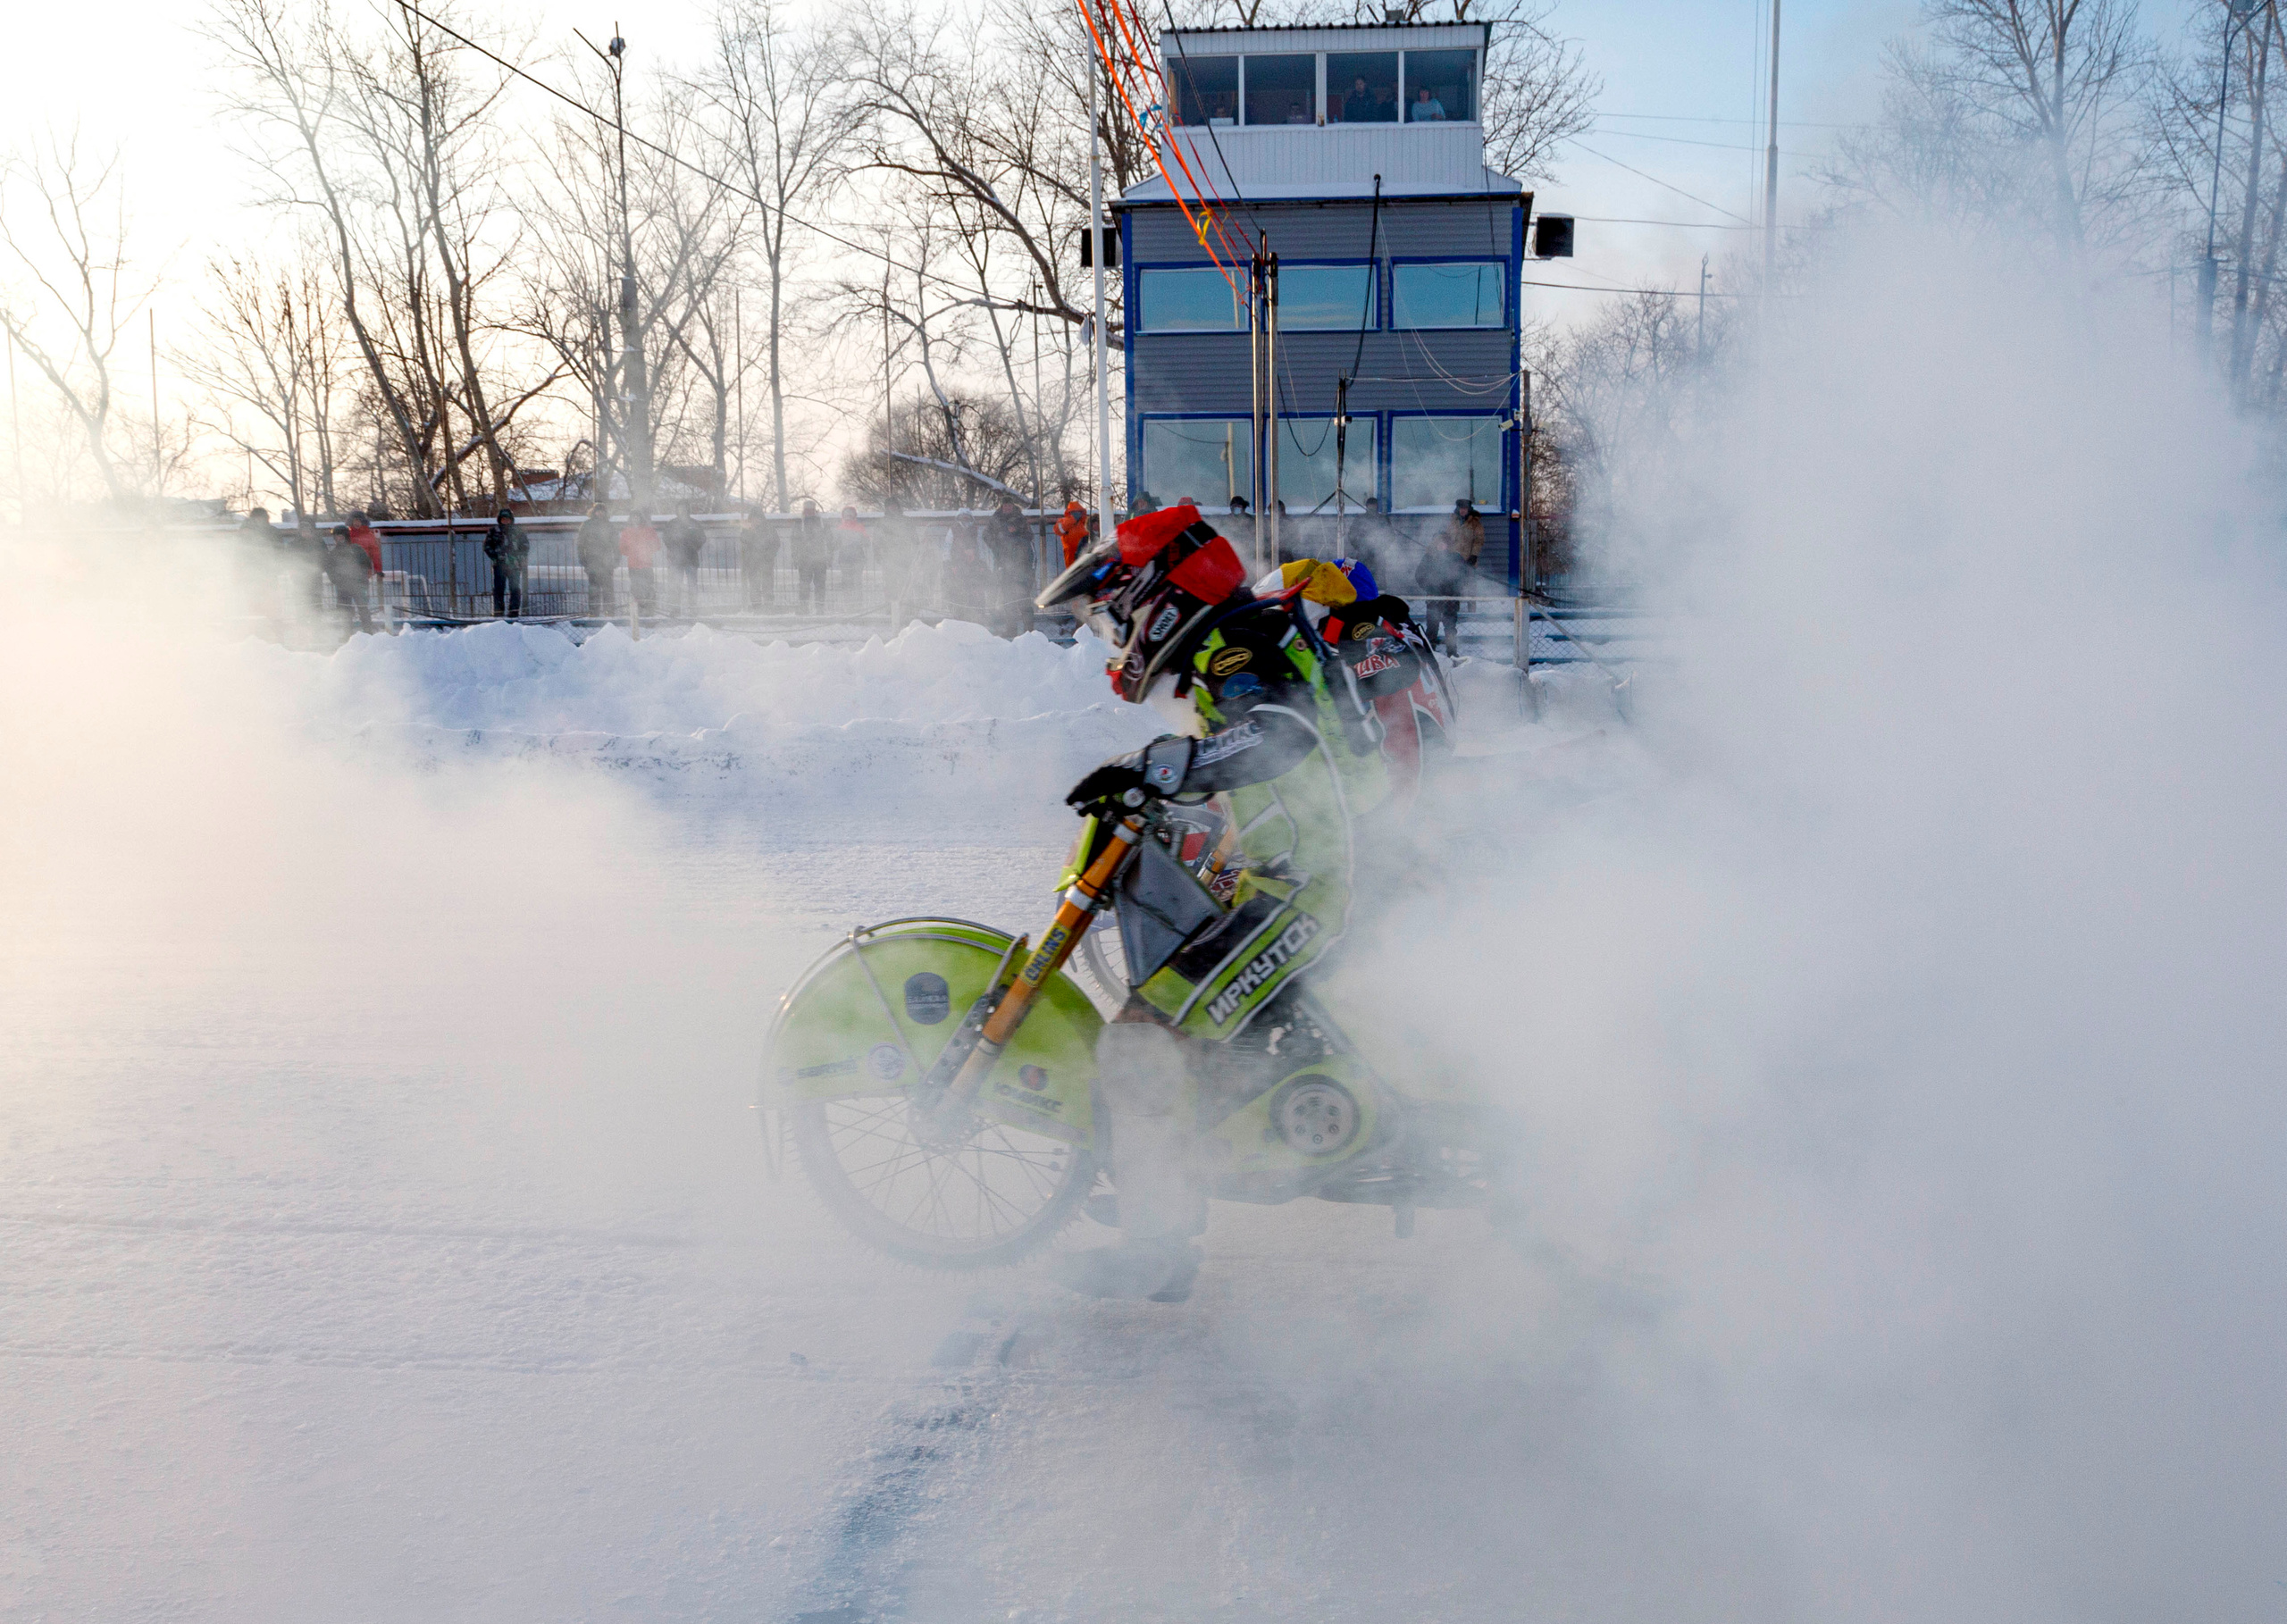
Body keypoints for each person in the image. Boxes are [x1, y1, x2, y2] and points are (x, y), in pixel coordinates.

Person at [1034, 505, 1401, 1302]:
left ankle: (1156, 1252)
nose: (1114, 633)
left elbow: (1277, 735)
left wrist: (1157, 769)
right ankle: (1177, 1180)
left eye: (1114, 613)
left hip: (1315, 891)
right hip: (1318, 872)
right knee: (1184, 1016)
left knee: (1143, 1040)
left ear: (1155, 595)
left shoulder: (1233, 643)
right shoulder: (1239, 637)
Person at [1421, 497, 1485, 653]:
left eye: (1465, 508)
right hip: (1452, 557)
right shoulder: (1453, 522)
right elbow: (1445, 538)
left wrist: (1474, 555)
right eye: (1460, 508)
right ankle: (1432, 648)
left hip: (1466, 558)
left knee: (1468, 583)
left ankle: (1471, 607)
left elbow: (1479, 541)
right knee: (1433, 622)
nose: (1463, 510)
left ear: (1469, 509)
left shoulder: (1475, 523)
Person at [986, 497, 1035, 636]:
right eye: (1005, 506)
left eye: (1009, 506)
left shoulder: (1021, 519)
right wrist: (997, 547)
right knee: (1008, 599)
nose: (1007, 508)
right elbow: (986, 535)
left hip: (1022, 566)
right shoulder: (995, 519)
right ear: (1002, 507)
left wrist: (1016, 538)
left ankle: (1029, 631)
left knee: (1024, 598)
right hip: (1004, 565)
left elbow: (1029, 539)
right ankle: (1011, 630)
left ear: (1013, 506)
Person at [326, 525, 378, 632]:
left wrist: (361, 577)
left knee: (363, 609)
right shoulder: (333, 553)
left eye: (341, 537)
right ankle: (347, 634)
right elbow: (329, 569)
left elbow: (367, 564)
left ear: (346, 537)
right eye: (337, 537)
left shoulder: (356, 549)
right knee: (345, 611)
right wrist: (336, 580)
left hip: (358, 584)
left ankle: (368, 632)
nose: (339, 539)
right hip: (343, 586)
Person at [664, 500, 708, 617]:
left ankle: (693, 609)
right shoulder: (672, 524)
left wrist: (693, 546)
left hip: (691, 559)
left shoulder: (694, 524)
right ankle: (675, 610)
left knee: (692, 586)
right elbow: (666, 538)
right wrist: (674, 547)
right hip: (676, 560)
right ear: (677, 510)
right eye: (680, 508)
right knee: (675, 585)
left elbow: (702, 538)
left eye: (684, 508)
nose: (682, 510)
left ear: (688, 509)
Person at [576, 502, 618, 616]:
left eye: (602, 511)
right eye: (598, 511)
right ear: (593, 512)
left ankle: (609, 611)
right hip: (592, 561)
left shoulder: (609, 526)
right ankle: (594, 612)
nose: (600, 513)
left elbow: (616, 544)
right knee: (593, 588)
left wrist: (616, 560)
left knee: (608, 588)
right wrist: (582, 559)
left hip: (607, 561)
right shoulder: (587, 525)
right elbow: (580, 544)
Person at [484, 508, 528, 618]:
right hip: (500, 565)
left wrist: (518, 557)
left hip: (515, 565)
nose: (506, 522)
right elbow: (487, 546)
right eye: (503, 519)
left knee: (515, 588)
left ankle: (514, 611)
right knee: (499, 588)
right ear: (500, 520)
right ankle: (498, 611)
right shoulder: (494, 531)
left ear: (511, 520)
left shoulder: (518, 531)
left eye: (508, 519)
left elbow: (525, 546)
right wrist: (496, 556)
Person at [619, 510, 662, 616]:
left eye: (637, 517)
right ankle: (638, 609)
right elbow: (621, 548)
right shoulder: (626, 532)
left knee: (648, 587)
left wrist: (647, 552)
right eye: (634, 517)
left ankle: (649, 609)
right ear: (631, 519)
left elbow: (657, 545)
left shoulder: (649, 530)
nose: (636, 519)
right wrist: (631, 553)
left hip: (646, 564)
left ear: (641, 518)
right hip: (633, 564)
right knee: (636, 588)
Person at [792, 498, 829, 614]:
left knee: (820, 585)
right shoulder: (799, 524)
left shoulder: (822, 523)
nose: (809, 512)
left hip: (820, 559)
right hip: (804, 560)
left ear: (815, 510)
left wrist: (828, 556)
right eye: (807, 510)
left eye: (811, 510)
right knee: (804, 585)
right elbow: (794, 542)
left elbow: (829, 541)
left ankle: (820, 608)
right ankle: (804, 608)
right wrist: (795, 557)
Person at [736, 505, 775, 611]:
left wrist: (769, 555)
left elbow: (775, 544)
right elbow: (744, 543)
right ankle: (757, 608)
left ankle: (769, 608)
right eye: (754, 518)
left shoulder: (769, 528)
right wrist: (750, 531)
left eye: (758, 518)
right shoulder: (747, 530)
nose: (757, 520)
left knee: (768, 585)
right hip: (753, 563)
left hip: (766, 563)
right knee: (754, 586)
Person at [1055, 499, 1093, 567]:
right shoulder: (1063, 521)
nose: (1077, 514)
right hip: (1070, 555)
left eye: (1078, 512)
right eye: (1074, 512)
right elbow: (1057, 530)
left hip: (1085, 553)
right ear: (1070, 513)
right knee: (1073, 574)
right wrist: (1073, 519)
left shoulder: (1086, 522)